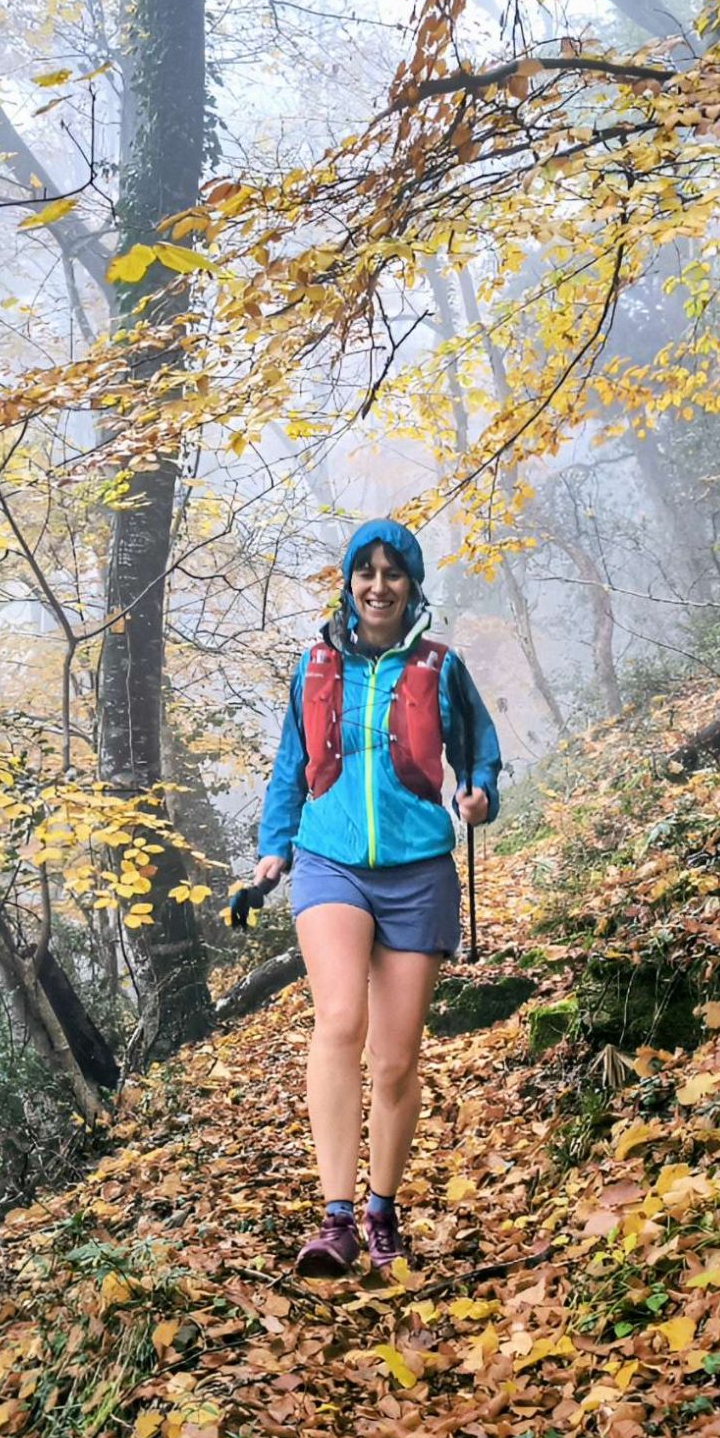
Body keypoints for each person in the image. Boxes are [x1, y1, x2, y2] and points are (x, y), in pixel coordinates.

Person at [253, 518, 502, 1277]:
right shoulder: (314, 665)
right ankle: (335, 1219)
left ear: (412, 585)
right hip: (329, 859)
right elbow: (290, 763)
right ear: (349, 583)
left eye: (394, 572)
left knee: (394, 1062)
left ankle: (381, 1210)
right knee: (339, 1020)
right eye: (367, 571)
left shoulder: (441, 666)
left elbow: (481, 751)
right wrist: (274, 845)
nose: (379, 585)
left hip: (419, 868)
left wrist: (479, 794)